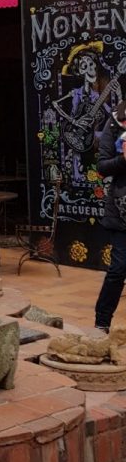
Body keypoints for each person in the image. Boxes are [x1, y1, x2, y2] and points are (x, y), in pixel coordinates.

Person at [94, 100, 126, 331]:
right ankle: (102, 323)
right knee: (118, 270)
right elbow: (102, 167)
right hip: (122, 210)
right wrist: (124, 159)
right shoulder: (115, 122)